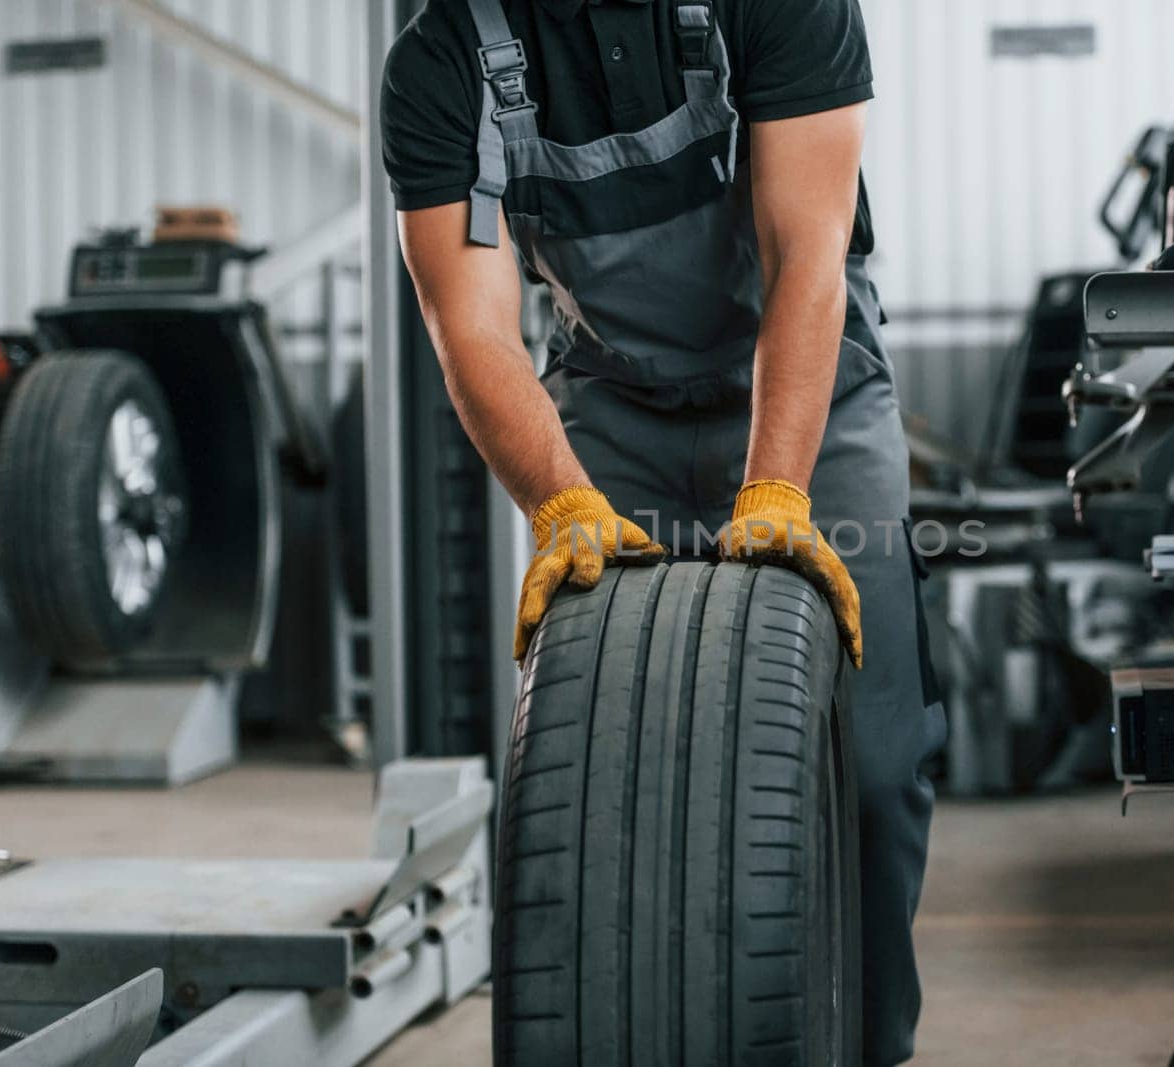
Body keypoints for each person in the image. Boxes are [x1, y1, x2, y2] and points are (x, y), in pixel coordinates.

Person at [381, 0, 946, 1060]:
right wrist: (559, 500)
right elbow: (469, 325)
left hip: (804, 392)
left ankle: (869, 1043)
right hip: (610, 412)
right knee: (586, 749)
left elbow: (806, 255)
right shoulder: (440, 59)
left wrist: (776, 490)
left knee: (871, 758)